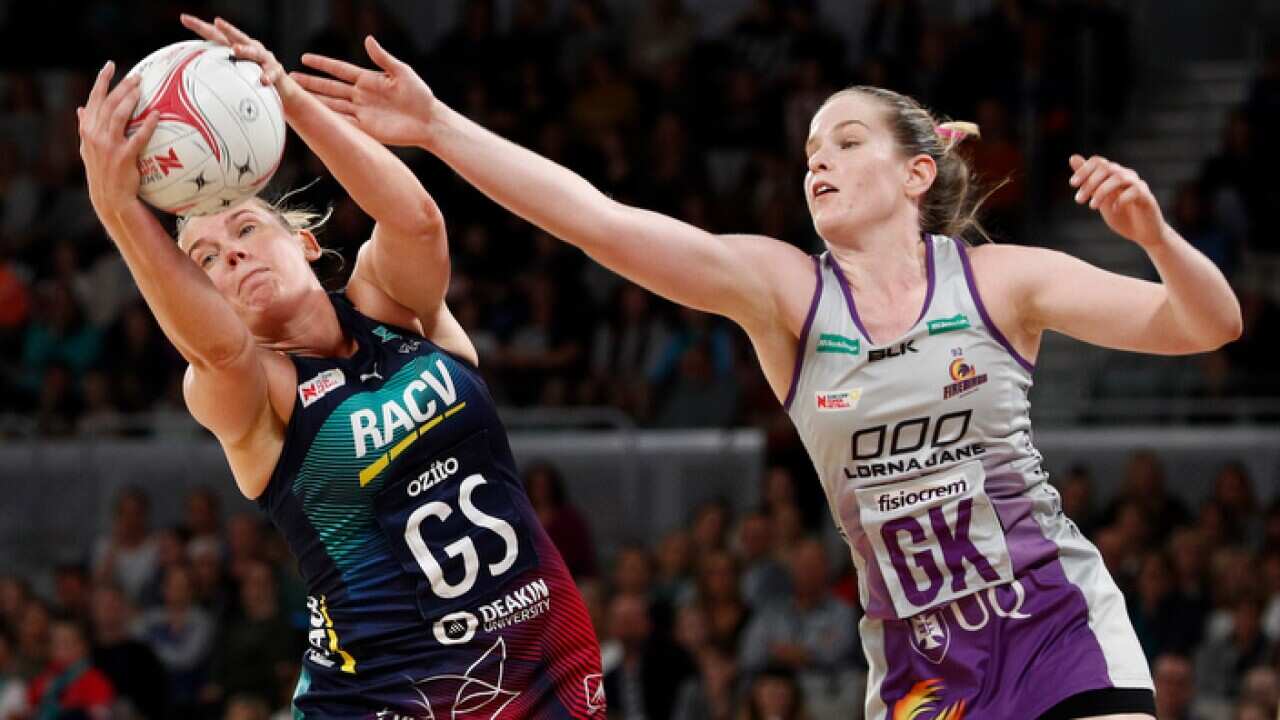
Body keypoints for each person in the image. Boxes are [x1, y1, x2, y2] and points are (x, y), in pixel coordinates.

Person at [294, 36, 1242, 720]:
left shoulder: (1000, 281)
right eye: (808, 153)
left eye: (845, 142)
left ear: (918, 174)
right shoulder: (787, 295)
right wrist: (438, 127)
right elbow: (598, 219)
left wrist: (1155, 238)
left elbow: (1208, 323)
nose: (818, 161)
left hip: (1055, 628)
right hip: (923, 671)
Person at [76, 14, 603, 718]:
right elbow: (220, 347)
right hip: (378, 700)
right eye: (204, 260)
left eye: (245, 227)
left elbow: (415, 220)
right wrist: (116, 207)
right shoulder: (255, 391)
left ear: (304, 242)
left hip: (543, 671)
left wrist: (287, 98)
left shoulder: (388, 307)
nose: (230, 253)